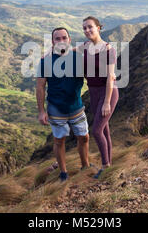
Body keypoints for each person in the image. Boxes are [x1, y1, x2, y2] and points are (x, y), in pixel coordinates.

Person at [36, 27, 91, 182]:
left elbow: (92, 74)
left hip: (76, 107)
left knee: (84, 137)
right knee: (59, 141)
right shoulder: (45, 61)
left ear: (69, 40)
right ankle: (63, 172)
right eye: (57, 38)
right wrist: (41, 111)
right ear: (52, 42)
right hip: (56, 109)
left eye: (64, 38)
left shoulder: (78, 58)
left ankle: (85, 166)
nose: (61, 41)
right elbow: (40, 87)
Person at [79, 16, 119, 179]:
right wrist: (51, 51)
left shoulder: (108, 50)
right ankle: (109, 164)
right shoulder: (86, 46)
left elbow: (110, 78)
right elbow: (71, 50)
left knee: (96, 130)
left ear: (98, 28)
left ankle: (105, 167)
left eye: (90, 27)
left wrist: (107, 102)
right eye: (84, 28)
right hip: (93, 93)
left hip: (107, 93)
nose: (87, 30)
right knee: (105, 130)